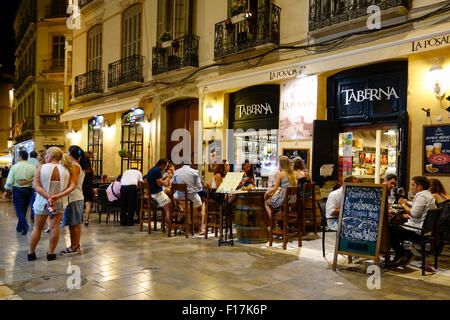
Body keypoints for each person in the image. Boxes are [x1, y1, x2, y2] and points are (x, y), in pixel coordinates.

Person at [28, 147, 77, 261]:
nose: (45, 156)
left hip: (42, 202)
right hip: (58, 202)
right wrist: (57, 196)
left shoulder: (41, 168)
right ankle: (51, 253)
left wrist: (47, 197)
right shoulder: (67, 169)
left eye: (46, 154)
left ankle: (31, 253)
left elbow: (36, 185)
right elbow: (72, 186)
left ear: (51, 156)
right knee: (54, 228)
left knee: (37, 228)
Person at [390, 176, 437, 267]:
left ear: (419, 187)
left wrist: (403, 204)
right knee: (396, 227)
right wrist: (407, 203)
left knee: (391, 230)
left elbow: (414, 214)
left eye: (413, 185)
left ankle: (401, 254)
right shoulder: (428, 195)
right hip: (426, 230)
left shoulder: (421, 196)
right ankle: (405, 253)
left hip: (418, 231)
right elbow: (419, 210)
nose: (411, 187)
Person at [60, 146, 87, 255]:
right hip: (76, 197)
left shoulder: (75, 166)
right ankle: (76, 245)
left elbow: (72, 183)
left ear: (70, 154)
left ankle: (74, 246)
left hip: (74, 197)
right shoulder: (77, 166)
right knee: (75, 224)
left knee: (73, 224)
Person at [3, 151, 36, 235]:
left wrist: (7, 190)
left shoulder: (14, 167)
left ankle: (25, 225)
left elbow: (10, 180)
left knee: (18, 209)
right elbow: (36, 178)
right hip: (29, 190)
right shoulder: (32, 167)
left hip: (18, 190)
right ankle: (19, 227)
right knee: (24, 208)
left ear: (20, 157)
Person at [172, 159, 205, 235]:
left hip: (178, 196)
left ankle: (177, 225)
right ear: (190, 163)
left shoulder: (176, 172)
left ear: (183, 163)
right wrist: (193, 189)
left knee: (175, 202)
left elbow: (173, 184)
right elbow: (199, 187)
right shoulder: (194, 172)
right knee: (200, 209)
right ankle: (200, 229)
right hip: (191, 196)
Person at [146, 159, 172, 227]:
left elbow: (158, 182)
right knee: (169, 207)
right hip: (156, 193)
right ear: (162, 165)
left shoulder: (153, 169)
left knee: (169, 204)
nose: (166, 168)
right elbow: (160, 184)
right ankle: (170, 227)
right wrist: (168, 178)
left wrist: (165, 179)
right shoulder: (157, 171)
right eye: (166, 166)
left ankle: (164, 223)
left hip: (152, 192)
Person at [83, 158, 94, 226]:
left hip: (82, 187)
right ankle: (86, 219)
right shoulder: (92, 170)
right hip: (89, 187)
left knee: (80, 204)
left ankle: (79, 218)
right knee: (88, 204)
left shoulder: (82, 170)